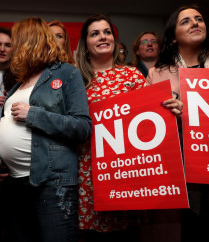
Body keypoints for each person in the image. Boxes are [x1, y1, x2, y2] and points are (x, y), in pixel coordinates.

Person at [75, 14, 183, 242]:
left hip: (126, 172)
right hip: (89, 172)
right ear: (85, 44)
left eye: (107, 32)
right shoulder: (76, 81)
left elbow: (151, 117)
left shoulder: (131, 75)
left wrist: (171, 107)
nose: (102, 37)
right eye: (95, 33)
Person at [0, 17, 92, 242]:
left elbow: (82, 126)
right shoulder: (20, 82)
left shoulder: (66, 73)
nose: (12, 47)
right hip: (16, 183)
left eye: (15, 41)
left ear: (30, 41)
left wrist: (34, 115)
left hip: (51, 182)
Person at [147, 4, 209, 242]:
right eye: (186, 21)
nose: (195, 23)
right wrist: (173, 113)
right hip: (180, 171)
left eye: (199, 19)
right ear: (173, 37)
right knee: (191, 230)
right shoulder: (157, 74)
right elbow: (149, 126)